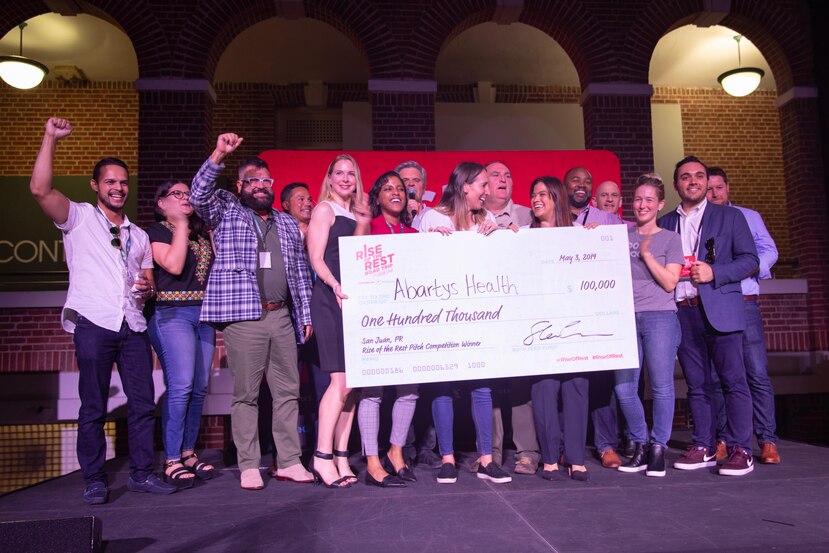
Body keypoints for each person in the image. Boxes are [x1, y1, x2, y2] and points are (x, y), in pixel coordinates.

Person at [29, 117, 176, 504]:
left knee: (144, 403)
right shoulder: (76, 217)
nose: (118, 187)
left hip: (132, 324)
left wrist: (147, 286)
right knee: (93, 405)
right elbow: (39, 188)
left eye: (123, 182)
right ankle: (94, 479)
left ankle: (143, 473)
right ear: (96, 185)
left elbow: (147, 282)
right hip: (94, 322)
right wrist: (50, 138)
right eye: (110, 181)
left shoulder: (139, 234)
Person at [189, 133, 315, 491]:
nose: (261, 186)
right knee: (246, 393)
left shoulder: (287, 222)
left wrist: (305, 314)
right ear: (241, 184)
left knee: (288, 391)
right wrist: (218, 154)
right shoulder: (226, 209)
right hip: (244, 316)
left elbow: (299, 272)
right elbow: (198, 194)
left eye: (267, 180)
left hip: (282, 315)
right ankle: (249, 464)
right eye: (254, 180)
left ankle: (289, 461)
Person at [658, 156, 759, 476]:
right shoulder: (666, 223)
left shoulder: (730, 217)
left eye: (699, 176)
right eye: (686, 177)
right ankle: (703, 445)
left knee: (734, 382)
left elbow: (750, 260)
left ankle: (742, 449)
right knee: (697, 385)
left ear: (706, 182)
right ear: (676, 184)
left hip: (721, 310)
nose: (693, 181)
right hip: (682, 312)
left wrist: (715, 271)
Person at [417, 161, 511, 485]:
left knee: (481, 387)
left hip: (478, 316)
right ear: (465, 186)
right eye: (483, 185)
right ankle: (447, 459)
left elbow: (500, 266)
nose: (488, 192)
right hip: (442, 317)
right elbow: (415, 267)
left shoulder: (488, 219)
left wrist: (498, 236)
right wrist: (428, 241)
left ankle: (487, 459)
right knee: (442, 386)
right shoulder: (432, 217)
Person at [706, 167, 781, 464]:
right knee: (718, 375)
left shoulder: (749, 216)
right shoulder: (702, 222)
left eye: (719, 188)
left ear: (728, 188)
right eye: (709, 189)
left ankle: (767, 440)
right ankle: (723, 439)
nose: (714, 193)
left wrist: (745, 268)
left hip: (746, 300)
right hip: (716, 303)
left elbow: (769, 250)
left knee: (757, 373)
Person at [307, 154, 372, 488]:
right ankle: (322, 456)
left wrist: (363, 222)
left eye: (352, 173)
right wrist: (334, 285)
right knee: (339, 382)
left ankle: (343, 456)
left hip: (354, 302)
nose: (346, 178)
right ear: (330, 177)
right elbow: (315, 258)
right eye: (340, 173)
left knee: (353, 386)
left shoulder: (355, 212)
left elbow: (360, 255)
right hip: (331, 300)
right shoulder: (324, 209)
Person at [146, 180, 216, 488]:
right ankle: (171, 458)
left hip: (204, 314)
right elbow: (173, 266)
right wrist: (183, 224)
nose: (185, 197)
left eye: (188, 194)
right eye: (177, 194)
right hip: (172, 314)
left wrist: (202, 227)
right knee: (182, 385)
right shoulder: (158, 231)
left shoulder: (200, 232)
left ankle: (188, 452)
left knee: (200, 387)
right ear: (161, 202)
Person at [614, 174, 683, 477]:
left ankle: (658, 448)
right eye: (638, 199)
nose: (642, 205)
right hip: (624, 318)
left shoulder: (670, 238)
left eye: (649, 200)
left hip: (659, 317)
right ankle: (640, 443)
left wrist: (646, 254)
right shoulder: (619, 235)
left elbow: (670, 282)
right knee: (624, 388)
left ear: (661, 204)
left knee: (661, 386)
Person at [356, 171, 419, 487]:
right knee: (373, 391)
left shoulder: (416, 232)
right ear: (376, 196)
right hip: (376, 321)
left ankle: (396, 451)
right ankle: (372, 461)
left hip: (410, 320)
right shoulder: (369, 229)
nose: (396, 192)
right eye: (388, 188)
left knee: (409, 389)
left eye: (401, 188)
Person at [527, 176, 591, 481]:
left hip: (574, 323)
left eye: (543, 194)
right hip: (538, 326)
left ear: (556, 198)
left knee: (576, 387)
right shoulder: (523, 236)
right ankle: (550, 457)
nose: (536, 199)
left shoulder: (579, 235)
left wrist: (598, 242)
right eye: (533, 194)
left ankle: (576, 457)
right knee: (544, 389)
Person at [564, 166, 625, 468]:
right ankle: (566, 446)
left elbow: (623, 258)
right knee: (564, 379)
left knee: (602, 381)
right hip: (561, 310)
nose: (582, 185)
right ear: (565, 185)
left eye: (588, 181)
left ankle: (606, 445)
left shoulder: (609, 220)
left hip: (598, 308)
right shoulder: (551, 218)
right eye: (576, 180)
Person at [483, 161, 539, 475]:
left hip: (521, 311)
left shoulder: (528, 214)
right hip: (485, 310)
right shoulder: (471, 216)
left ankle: (527, 452)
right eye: (495, 175)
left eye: (508, 174)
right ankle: (489, 452)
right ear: (483, 184)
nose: (503, 179)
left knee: (520, 383)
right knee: (486, 384)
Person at [395, 160, 431, 229]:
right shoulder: (391, 217)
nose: (411, 183)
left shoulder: (434, 214)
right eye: (405, 180)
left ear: (424, 188)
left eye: (416, 180)